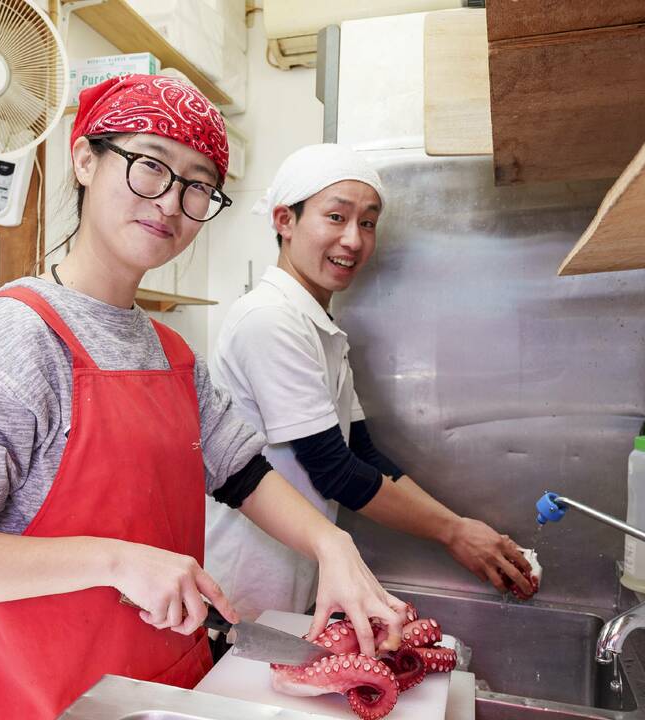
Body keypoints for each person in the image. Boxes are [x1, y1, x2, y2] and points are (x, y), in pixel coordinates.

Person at [0, 78, 407, 720]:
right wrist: (116, 561)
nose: (171, 202)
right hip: (40, 701)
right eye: (150, 167)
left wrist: (331, 547)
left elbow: (242, 473)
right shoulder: (10, 335)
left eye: (198, 185)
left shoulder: (171, 353)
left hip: (163, 691)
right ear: (85, 159)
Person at [205, 144, 536, 622]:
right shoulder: (269, 319)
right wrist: (452, 532)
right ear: (285, 221)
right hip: (244, 585)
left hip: (294, 576)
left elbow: (363, 453)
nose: (354, 241)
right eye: (336, 217)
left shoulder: (318, 324)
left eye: (367, 222)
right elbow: (333, 470)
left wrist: (460, 527)